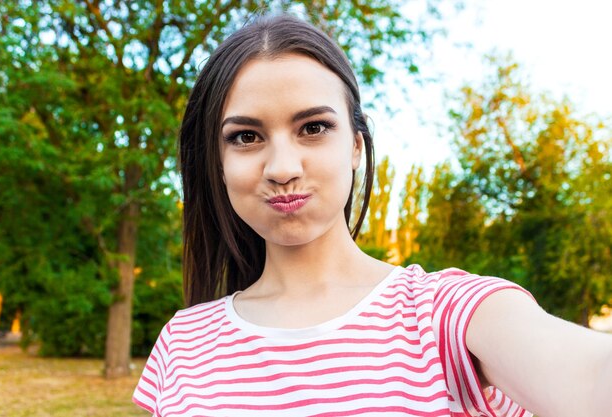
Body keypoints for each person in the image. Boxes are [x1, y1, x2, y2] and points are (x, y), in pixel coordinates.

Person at [133, 14, 612, 417]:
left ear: (356, 146)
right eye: (246, 136)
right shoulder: (184, 342)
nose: (281, 168)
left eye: (313, 128)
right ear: (217, 162)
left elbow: (589, 374)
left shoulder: (446, 315)